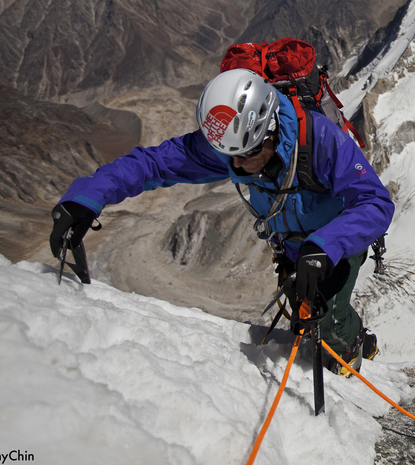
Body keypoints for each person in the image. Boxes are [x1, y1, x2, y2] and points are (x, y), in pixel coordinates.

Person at [49, 68, 394, 374]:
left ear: (269, 131)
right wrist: (87, 197)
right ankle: (347, 337)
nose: (237, 168)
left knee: (327, 321)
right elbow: (152, 164)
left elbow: (375, 203)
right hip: (293, 247)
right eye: (230, 157)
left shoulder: (321, 140)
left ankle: (350, 353)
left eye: (245, 156)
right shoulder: (232, 144)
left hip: (338, 242)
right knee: (306, 310)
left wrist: (323, 247)